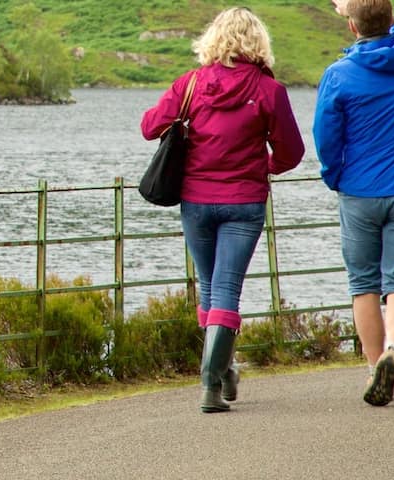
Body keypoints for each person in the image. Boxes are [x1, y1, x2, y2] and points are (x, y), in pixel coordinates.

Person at [142, 7, 303, 413]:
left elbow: (149, 127)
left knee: (211, 288)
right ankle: (212, 382)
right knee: (226, 290)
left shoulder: (190, 84)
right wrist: (263, 167)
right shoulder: (269, 91)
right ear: (258, 42)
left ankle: (220, 374)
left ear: (213, 39)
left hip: (195, 200)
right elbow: (291, 152)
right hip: (244, 202)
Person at [314, 0, 394, 407]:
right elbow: (393, 30)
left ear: (352, 27)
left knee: (363, 284)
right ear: (391, 19)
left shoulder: (338, 75)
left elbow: (325, 136)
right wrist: (366, 10)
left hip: (359, 189)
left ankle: (373, 369)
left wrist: (334, 175)